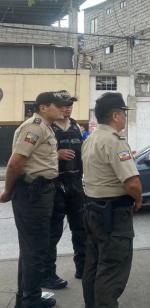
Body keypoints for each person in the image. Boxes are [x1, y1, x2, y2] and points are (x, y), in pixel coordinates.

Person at [0, 91, 73, 308]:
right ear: (43, 107)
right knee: (36, 250)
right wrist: (7, 191)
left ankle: (27, 297)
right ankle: (30, 301)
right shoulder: (35, 127)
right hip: (33, 193)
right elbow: (15, 163)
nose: (63, 109)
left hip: (41, 192)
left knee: (32, 249)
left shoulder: (45, 127)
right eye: (58, 105)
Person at [81, 92, 143, 307]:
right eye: (124, 114)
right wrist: (139, 200)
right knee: (112, 270)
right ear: (116, 115)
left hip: (92, 210)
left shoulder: (90, 139)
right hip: (113, 216)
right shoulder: (115, 141)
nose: (125, 118)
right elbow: (132, 183)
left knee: (93, 266)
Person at [43, 97, 86, 291]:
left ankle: (83, 268)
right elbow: (33, 155)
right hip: (56, 186)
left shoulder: (78, 127)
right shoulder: (47, 127)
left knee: (81, 229)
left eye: (70, 106)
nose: (67, 109)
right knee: (54, 233)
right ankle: (48, 274)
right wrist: (56, 154)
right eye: (64, 106)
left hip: (76, 185)